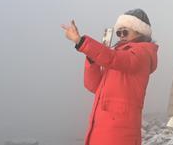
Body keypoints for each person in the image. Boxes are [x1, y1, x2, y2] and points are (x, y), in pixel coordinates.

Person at [61, 8, 158, 145]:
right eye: (119, 32)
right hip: (102, 129)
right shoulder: (118, 55)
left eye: (125, 31)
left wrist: (80, 41)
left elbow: (113, 58)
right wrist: (91, 58)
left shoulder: (142, 53)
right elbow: (93, 85)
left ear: (139, 31)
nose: (121, 36)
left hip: (119, 134)